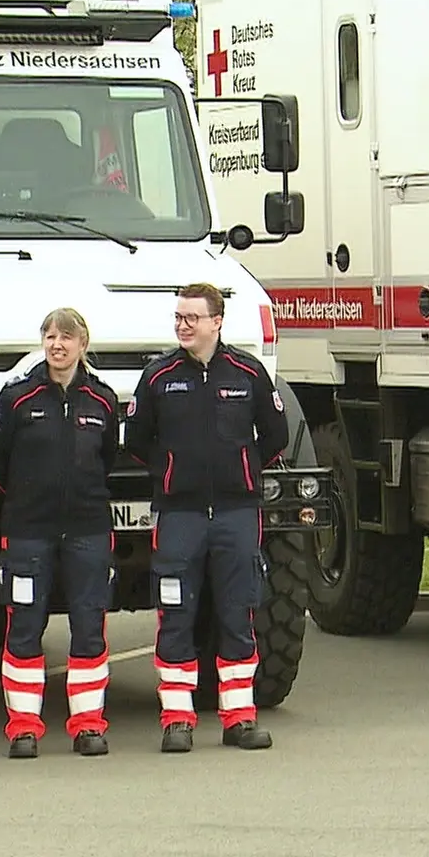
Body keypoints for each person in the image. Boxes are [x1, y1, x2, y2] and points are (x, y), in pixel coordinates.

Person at [124, 283, 288, 752]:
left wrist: (243, 469)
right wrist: (171, 471)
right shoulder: (158, 377)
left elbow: (275, 435)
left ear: (217, 322)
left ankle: (240, 718)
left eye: (192, 318)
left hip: (236, 513)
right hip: (180, 515)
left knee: (238, 612)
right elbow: (137, 440)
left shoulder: (248, 372)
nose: (183, 325)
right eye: (178, 317)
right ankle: (177, 720)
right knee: (176, 615)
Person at [0, 308, 121, 759]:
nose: (57, 345)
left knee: (89, 625)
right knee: (24, 625)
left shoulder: (102, 400)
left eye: (66, 337)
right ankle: (23, 728)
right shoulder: (17, 397)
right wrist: (28, 495)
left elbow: (108, 458)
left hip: (87, 530)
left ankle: (88, 725)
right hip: (28, 531)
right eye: (50, 336)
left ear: (83, 344)